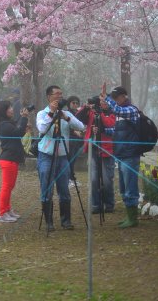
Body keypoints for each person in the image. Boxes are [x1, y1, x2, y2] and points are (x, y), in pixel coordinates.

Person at [36, 85, 86, 231]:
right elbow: (42, 129)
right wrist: (51, 113)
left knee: (64, 189)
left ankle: (66, 221)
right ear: (48, 97)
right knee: (47, 188)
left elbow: (81, 126)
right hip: (46, 156)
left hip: (63, 156)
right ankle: (49, 222)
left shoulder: (65, 113)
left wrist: (66, 117)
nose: (59, 96)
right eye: (56, 94)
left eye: (61, 94)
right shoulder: (41, 114)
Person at [100, 86, 141, 228]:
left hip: (130, 154)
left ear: (124, 96)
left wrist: (106, 98)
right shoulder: (120, 114)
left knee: (130, 187)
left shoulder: (131, 110)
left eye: (116, 97)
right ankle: (128, 216)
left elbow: (117, 110)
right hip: (121, 154)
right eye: (113, 97)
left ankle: (133, 219)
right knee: (123, 188)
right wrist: (103, 129)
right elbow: (116, 131)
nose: (115, 100)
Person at [76, 96, 116, 214]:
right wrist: (85, 107)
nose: (103, 104)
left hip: (107, 150)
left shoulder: (112, 112)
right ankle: (95, 204)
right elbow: (78, 118)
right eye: (101, 102)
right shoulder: (92, 112)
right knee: (94, 179)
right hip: (93, 149)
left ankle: (109, 204)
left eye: (104, 101)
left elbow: (110, 124)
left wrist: (100, 113)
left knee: (107, 179)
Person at [0, 100, 30, 222]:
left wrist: (22, 118)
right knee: (6, 186)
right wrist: (24, 118)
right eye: (9, 108)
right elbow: (18, 132)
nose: (11, 109)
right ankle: (2, 213)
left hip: (12, 160)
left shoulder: (7, 123)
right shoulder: (4, 125)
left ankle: (8, 209)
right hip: (8, 160)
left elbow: (17, 128)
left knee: (10, 186)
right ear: (3, 111)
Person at [66, 95, 84, 188]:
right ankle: (68, 179)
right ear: (69, 104)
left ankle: (72, 178)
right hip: (70, 140)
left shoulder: (79, 113)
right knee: (70, 160)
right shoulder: (66, 113)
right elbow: (67, 125)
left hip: (78, 141)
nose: (75, 104)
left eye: (77, 103)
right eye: (73, 102)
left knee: (73, 160)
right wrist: (74, 131)